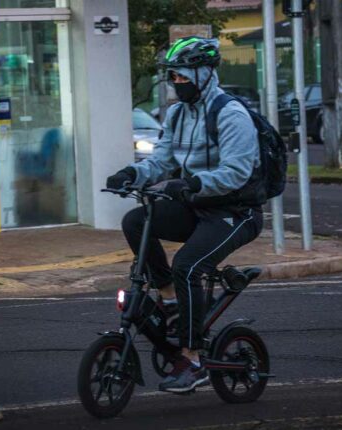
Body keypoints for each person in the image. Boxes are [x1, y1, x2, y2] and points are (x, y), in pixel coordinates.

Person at [106, 37, 265, 393]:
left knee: (189, 266)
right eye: (172, 77)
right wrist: (130, 174)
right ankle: (170, 297)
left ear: (204, 73)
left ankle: (192, 359)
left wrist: (193, 184)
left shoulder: (230, 114)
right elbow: (161, 161)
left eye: (181, 76)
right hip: (197, 205)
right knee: (136, 220)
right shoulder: (177, 114)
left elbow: (237, 172)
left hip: (235, 212)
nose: (175, 83)